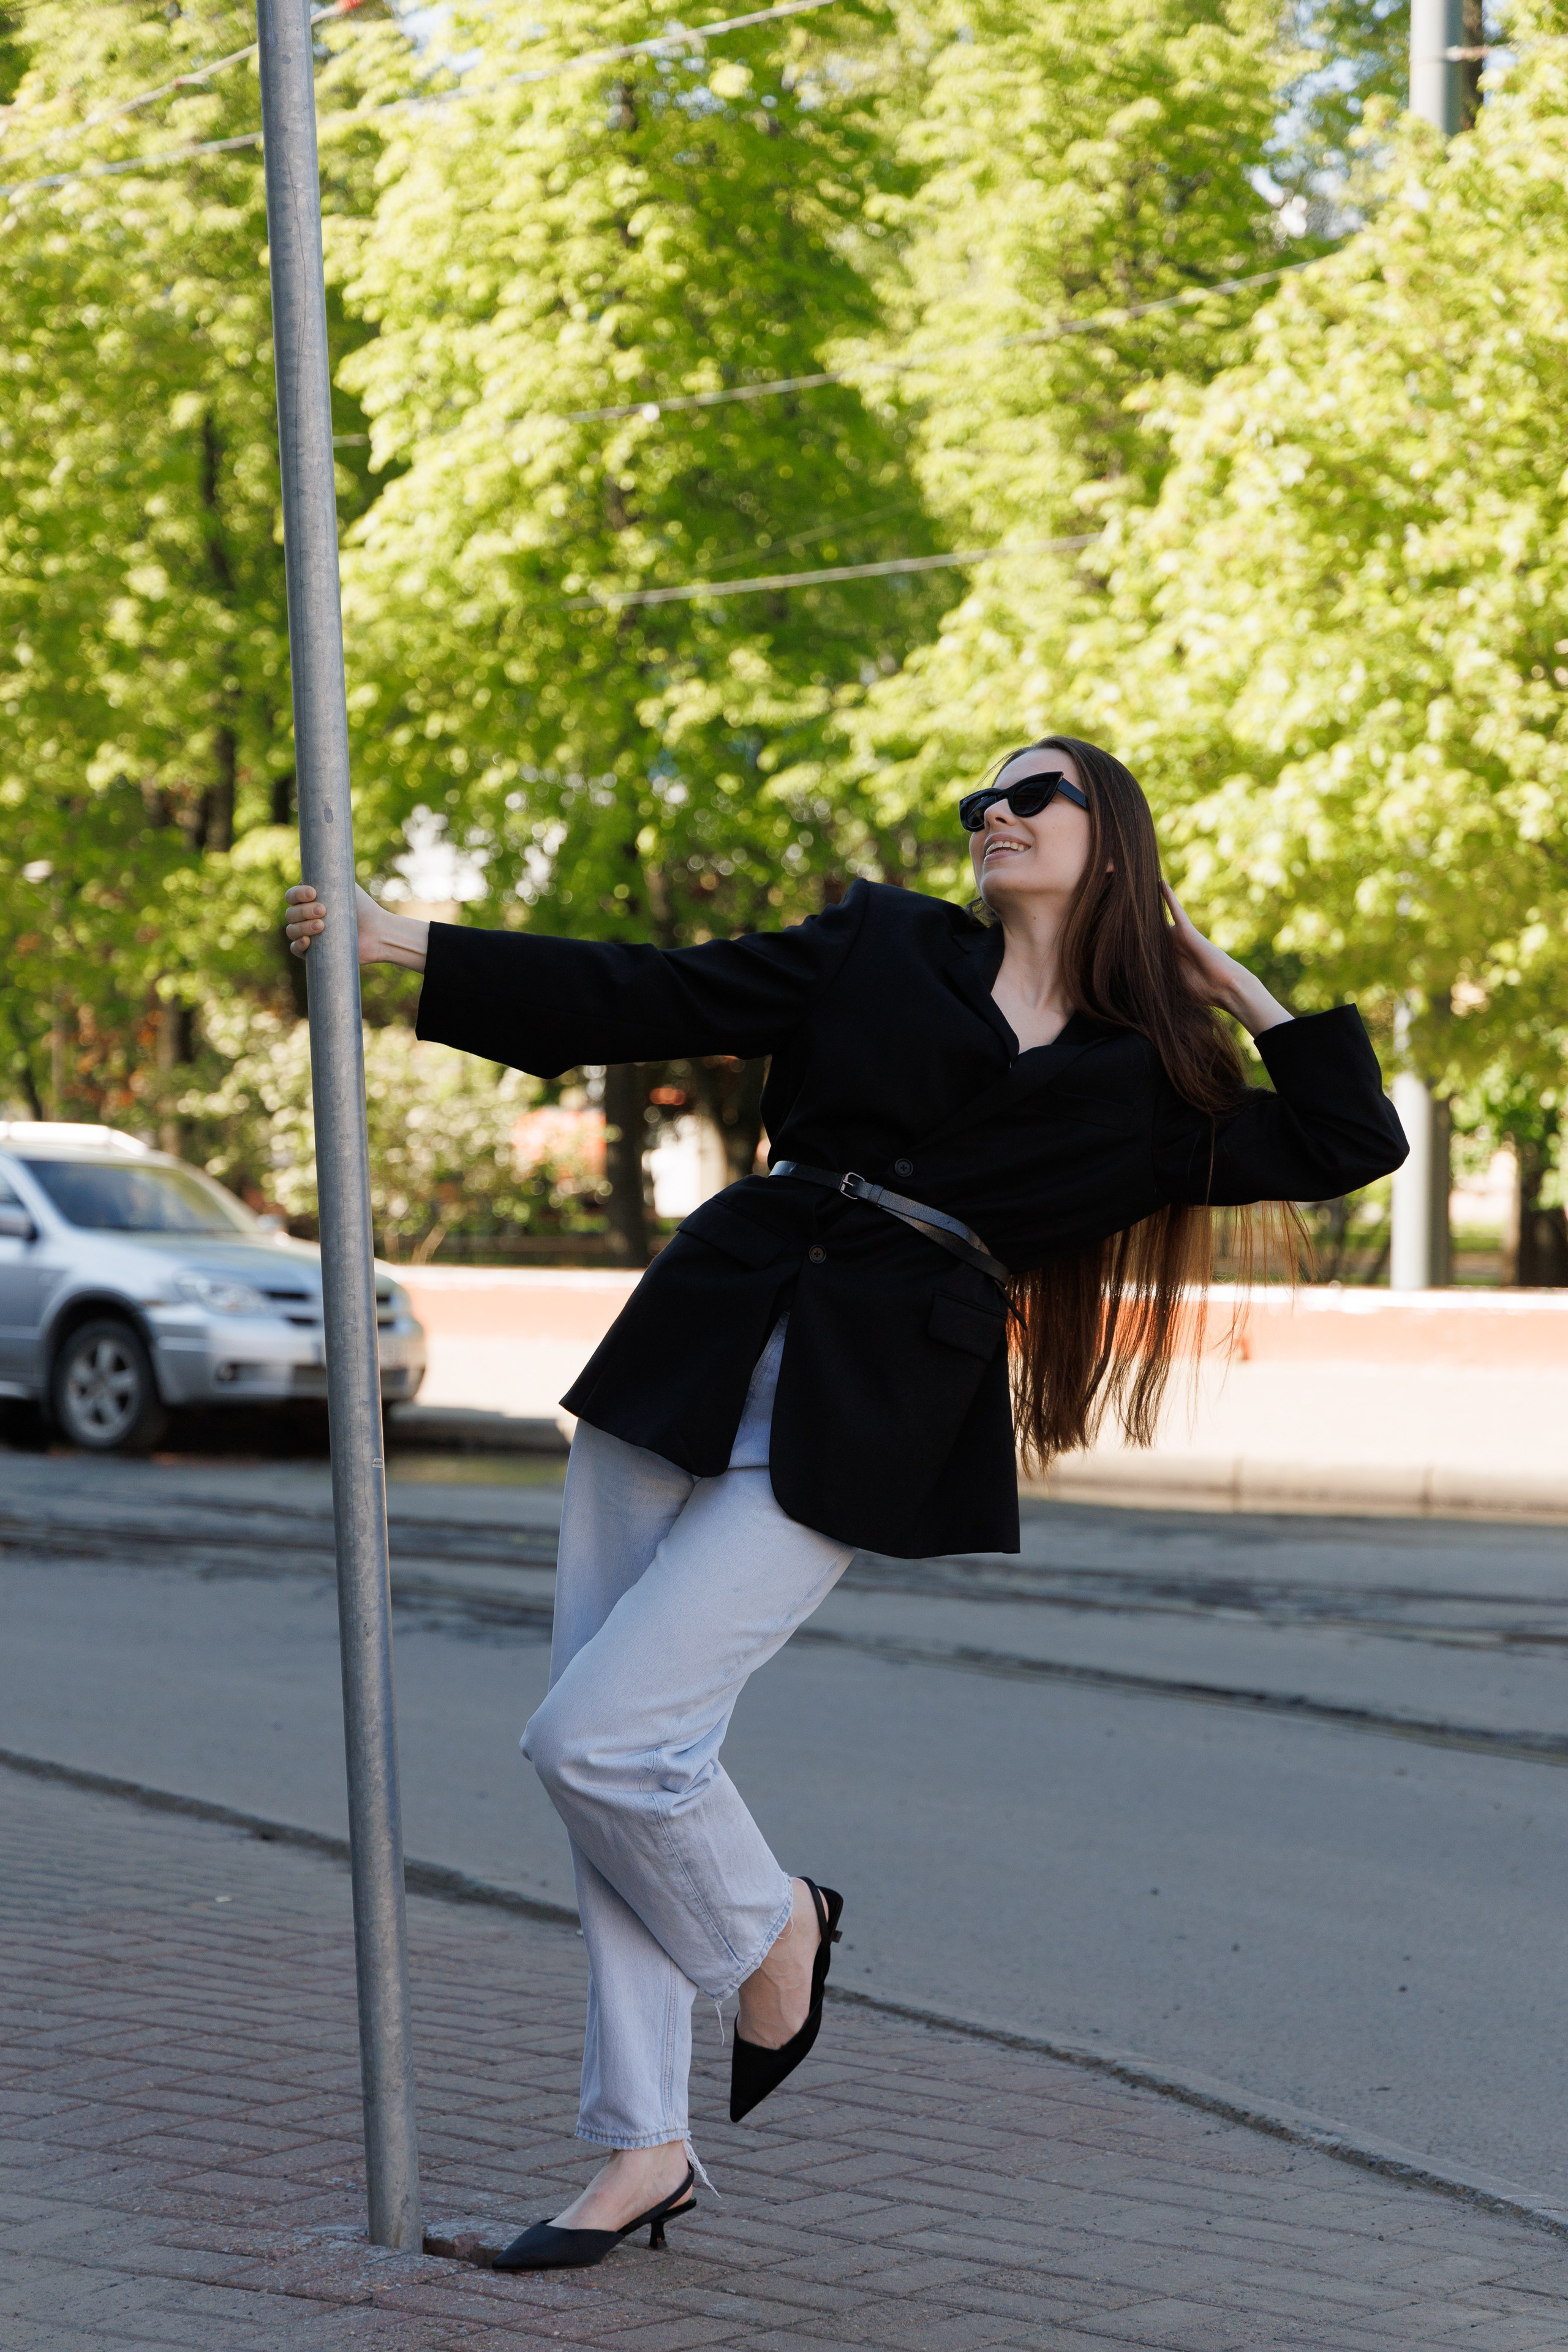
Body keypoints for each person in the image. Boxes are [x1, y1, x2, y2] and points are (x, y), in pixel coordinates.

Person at [285, 734, 1406, 2269]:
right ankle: (639, 2149)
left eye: (1032, 796)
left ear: (1111, 834)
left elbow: (1350, 1141)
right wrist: (400, 940)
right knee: (607, 1764)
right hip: (699, 1336)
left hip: (873, 1401)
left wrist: (1230, 989)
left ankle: (775, 1933)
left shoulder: (1145, 1086)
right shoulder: (881, 940)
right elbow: (659, 993)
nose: (993, 819)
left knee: (602, 1740)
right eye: (980, 803)